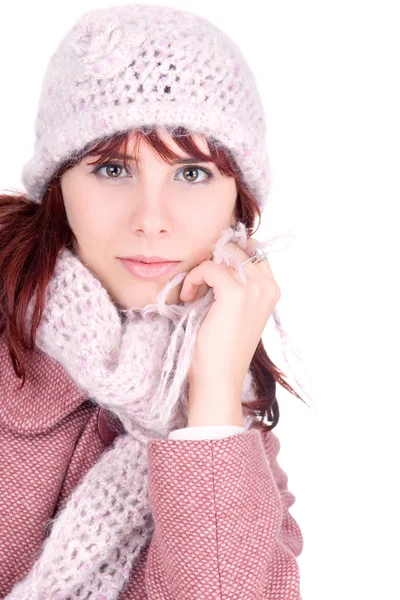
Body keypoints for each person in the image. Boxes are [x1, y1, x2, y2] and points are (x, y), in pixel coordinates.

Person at [0, 4, 307, 598]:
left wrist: (212, 393)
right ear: (58, 188)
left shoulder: (234, 435)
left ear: (238, 207)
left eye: (192, 174)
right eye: (113, 169)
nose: (150, 220)